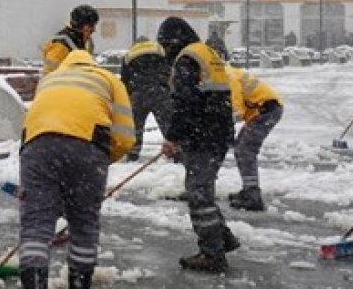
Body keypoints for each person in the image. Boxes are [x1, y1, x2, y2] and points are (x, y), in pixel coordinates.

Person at [17, 50, 134, 289]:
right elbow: (125, 138)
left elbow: (33, 120)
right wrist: (99, 163)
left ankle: (34, 283)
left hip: (37, 147)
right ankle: (79, 283)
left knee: (36, 223)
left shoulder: (49, 78)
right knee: (83, 222)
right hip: (87, 147)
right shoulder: (109, 79)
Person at [158, 17, 239, 274]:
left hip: (203, 135)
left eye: (164, 45)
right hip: (218, 132)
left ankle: (212, 254)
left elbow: (185, 103)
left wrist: (172, 137)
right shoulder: (206, 52)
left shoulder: (187, 59)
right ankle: (222, 237)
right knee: (202, 189)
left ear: (172, 41)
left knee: (199, 194)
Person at [227, 68, 282, 212]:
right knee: (241, 148)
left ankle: (252, 196)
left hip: (266, 110)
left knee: (245, 150)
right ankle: (249, 189)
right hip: (265, 109)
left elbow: (236, 112)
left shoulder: (227, 77)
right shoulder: (227, 71)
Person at [121, 36, 173, 162]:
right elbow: (170, 71)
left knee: (136, 126)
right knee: (167, 124)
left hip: (138, 93)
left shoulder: (129, 54)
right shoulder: (159, 50)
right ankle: (176, 153)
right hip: (160, 92)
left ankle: (133, 153)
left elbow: (124, 79)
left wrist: (129, 95)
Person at [40, 5, 99, 74]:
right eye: (91, 25)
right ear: (79, 25)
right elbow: (49, 75)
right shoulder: (60, 45)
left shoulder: (79, 42)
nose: (94, 30)